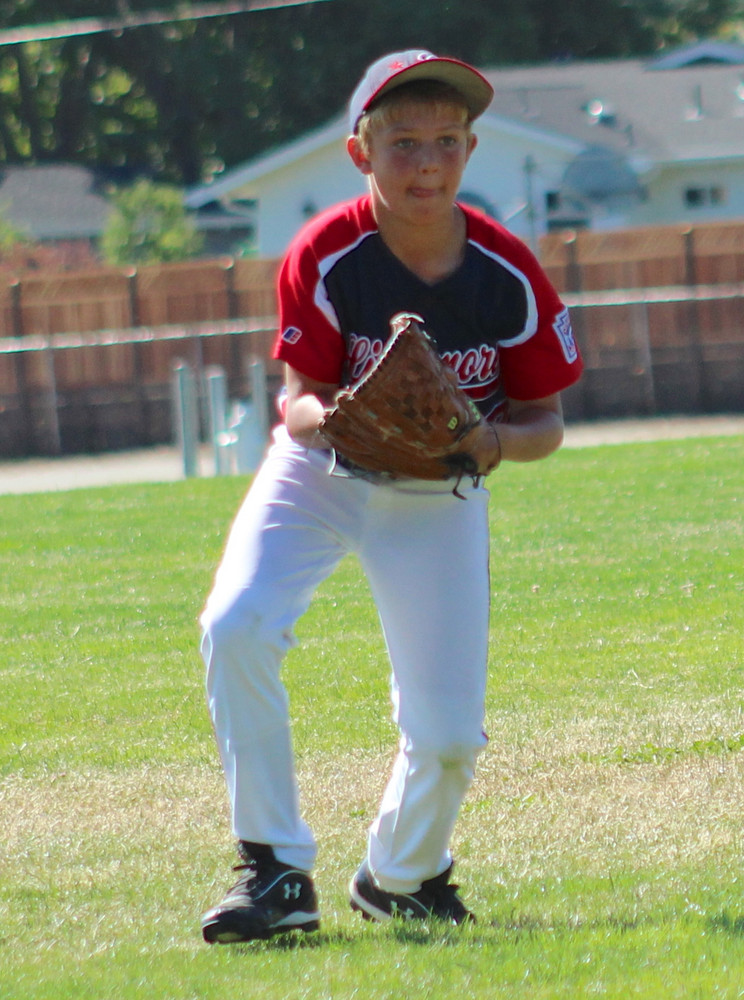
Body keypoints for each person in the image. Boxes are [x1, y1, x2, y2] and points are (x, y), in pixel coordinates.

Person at [197, 49, 584, 945]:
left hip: (438, 487)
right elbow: (297, 399)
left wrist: (491, 442)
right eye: (403, 142)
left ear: (471, 150)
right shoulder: (327, 253)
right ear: (360, 152)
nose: (426, 163)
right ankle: (274, 871)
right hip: (321, 472)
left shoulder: (506, 272)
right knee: (236, 624)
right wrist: (337, 417)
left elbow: (546, 424)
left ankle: (403, 877)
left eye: (447, 141)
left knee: (447, 737)